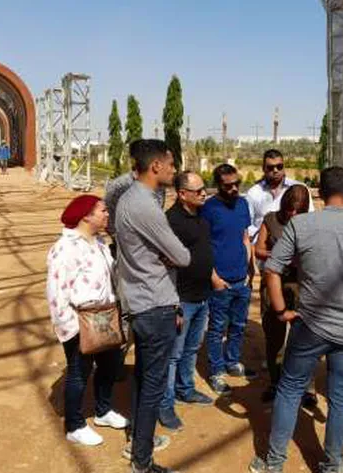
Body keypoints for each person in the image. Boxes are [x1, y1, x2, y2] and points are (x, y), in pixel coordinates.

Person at [249, 167, 343, 473]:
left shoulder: (301, 224)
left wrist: (280, 310)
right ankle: (333, 463)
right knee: (341, 397)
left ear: (319, 193)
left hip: (309, 326)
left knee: (289, 389)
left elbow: (272, 269)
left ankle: (274, 462)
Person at [115, 139, 190, 473]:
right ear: (156, 166)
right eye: (171, 164)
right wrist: (169, 256)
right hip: (154, 305)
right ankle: (142, 462)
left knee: (144, 379)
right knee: (152, 388)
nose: (174, 170)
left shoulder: (129, 198)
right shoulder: (144, 205)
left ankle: (138, 443)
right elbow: (182, 256)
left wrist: (164, 255)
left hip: (140, 301)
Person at [45, 195, 129, 446]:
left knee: (109, 365)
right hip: (80, 320)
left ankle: (103, 411)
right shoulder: (65, 248)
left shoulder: (100, 242)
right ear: (86, 216)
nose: (107, 214)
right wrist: (70, 329)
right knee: (79, 373)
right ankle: (74, 425)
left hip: (106, 315)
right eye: (103, 210)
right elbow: (56, 293)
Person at [160, 171, 216, 432]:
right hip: (181, 298)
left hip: (202, 295)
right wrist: (172, 303)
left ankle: (186, 389)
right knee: (173, 355)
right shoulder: (171, 221)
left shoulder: (201, 216)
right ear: (182, 194)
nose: (204, 193)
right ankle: (166, 404)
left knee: (192, 348)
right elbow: (164, 262)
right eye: (198, 190)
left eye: (204, 188)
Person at [253, 184, 316, 407]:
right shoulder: (271, 220)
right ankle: (275, 382)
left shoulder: (312, 223)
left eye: (298, 212)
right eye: (289, 210)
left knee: (305, 340)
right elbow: (258, 249)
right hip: (274, 284)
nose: (292, 215)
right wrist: (278, 256)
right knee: (274, 339)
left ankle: (307, 388)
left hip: (301, 286)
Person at [200, 163, 255, 395]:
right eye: (228, 185)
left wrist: (251, 269)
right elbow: (203, 245)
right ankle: (216, 371)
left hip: (242, 279)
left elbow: (245, 237)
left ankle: (232, 362)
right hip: (220, 282)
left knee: (239, 325)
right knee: (216, 328)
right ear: (218, 185)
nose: (233, 189)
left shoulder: (242, 204)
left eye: (236, 184)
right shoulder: (209, 208)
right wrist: (213, 277)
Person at [245, 149, 313, 244]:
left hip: (293, 245)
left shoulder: (300, 189)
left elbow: (310, 218)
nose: (275, 170)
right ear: (263, 168)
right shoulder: (254, 193)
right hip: (262, 245)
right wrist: (260, 237)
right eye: (270, 167)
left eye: (279, 166)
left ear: (284, 167)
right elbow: (247, 224)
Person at [104, 170, 166, 257]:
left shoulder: (158, 185)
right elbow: (109, 211)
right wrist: (115, 236)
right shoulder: (119, 185)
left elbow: (158, 208)